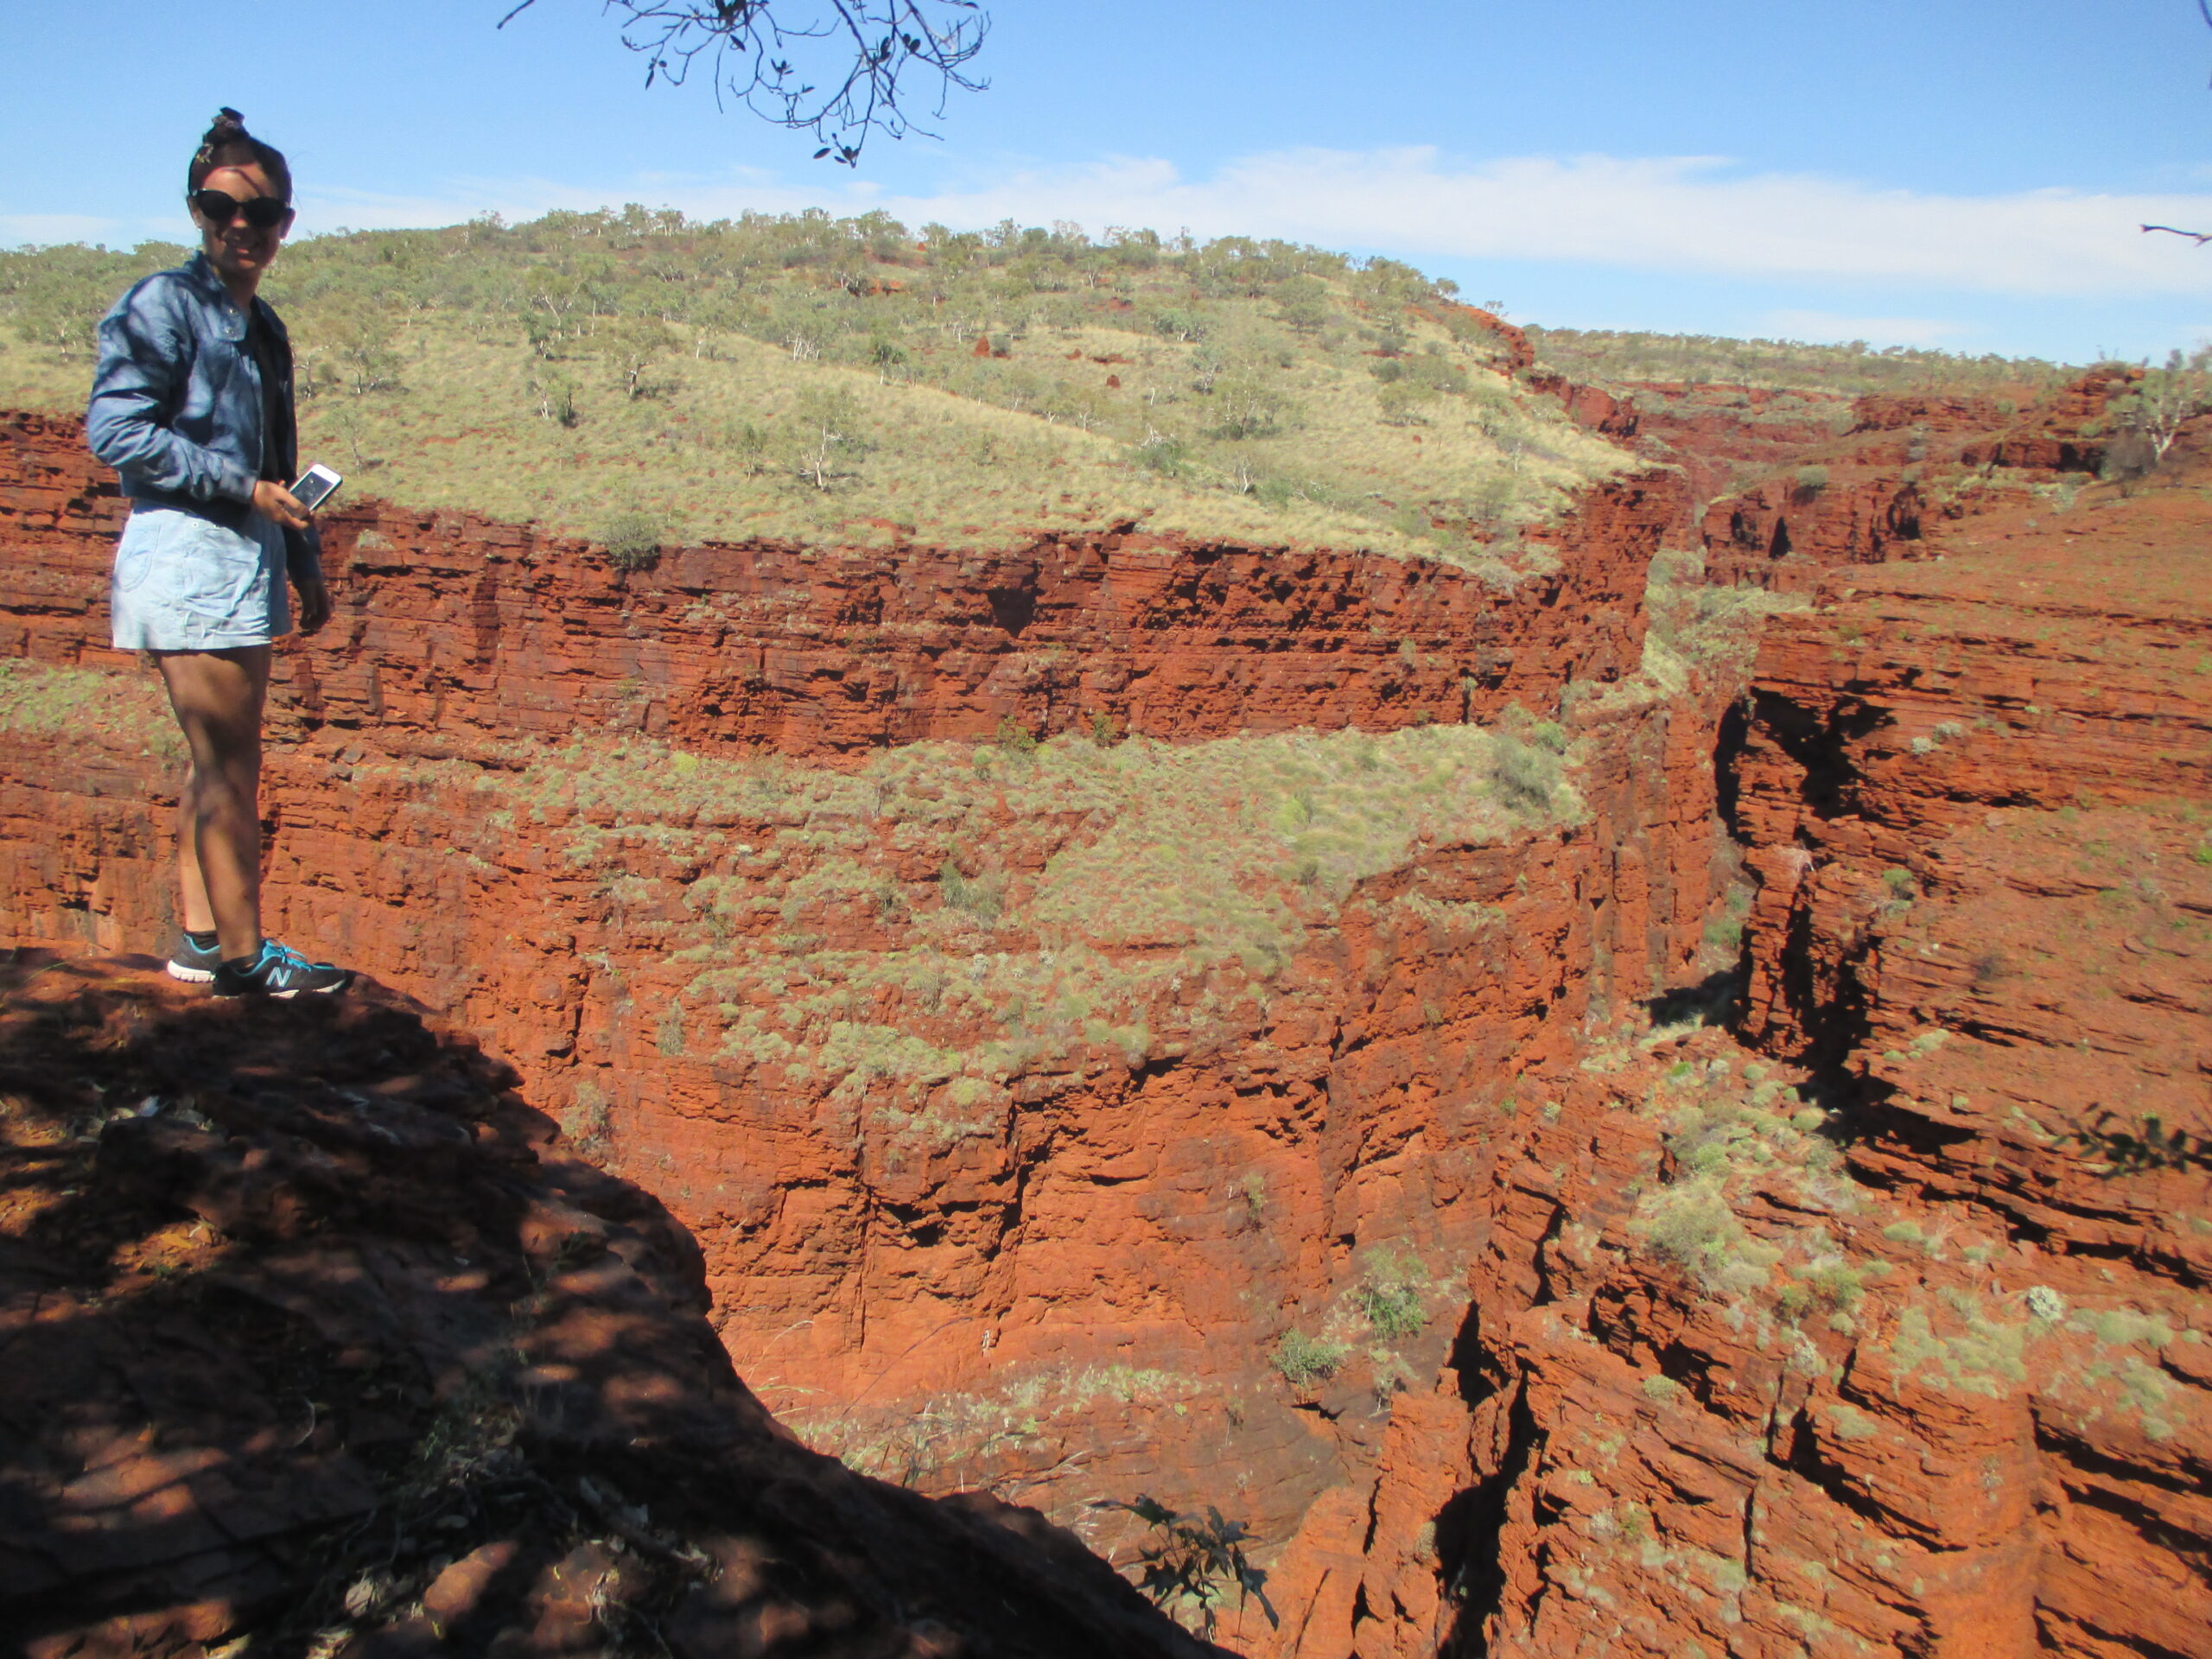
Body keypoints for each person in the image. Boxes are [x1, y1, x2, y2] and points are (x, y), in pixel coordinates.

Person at [86, 110, 353, 998]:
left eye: (261, 213)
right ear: (196, 211)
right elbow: (116, 430)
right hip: (188, 552)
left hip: (246, 558)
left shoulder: (264, 325)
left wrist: (301, 561)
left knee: (222, 764)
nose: (241, 228)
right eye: (219, 208)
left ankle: (203, 943)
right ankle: (246, 958)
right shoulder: (161, 306)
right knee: (229, 769)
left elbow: (279, 454)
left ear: (286, 222)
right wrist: (243, 492)